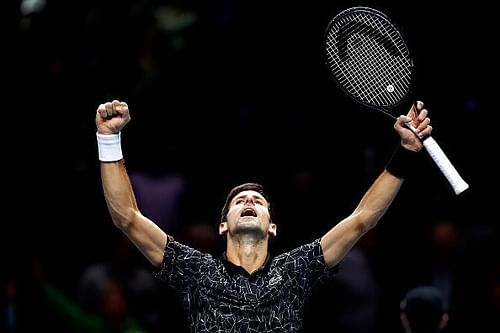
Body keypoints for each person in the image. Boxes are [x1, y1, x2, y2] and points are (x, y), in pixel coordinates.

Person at [95, 99, 432, 332]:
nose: (249, 201)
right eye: (239, 199)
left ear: (272, 226)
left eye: (258, 199)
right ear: (223, 225)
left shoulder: (296, 270)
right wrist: (109, 139)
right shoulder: (195, 271)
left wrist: (404, 153)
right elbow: (127, 217)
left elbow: (362, 219)